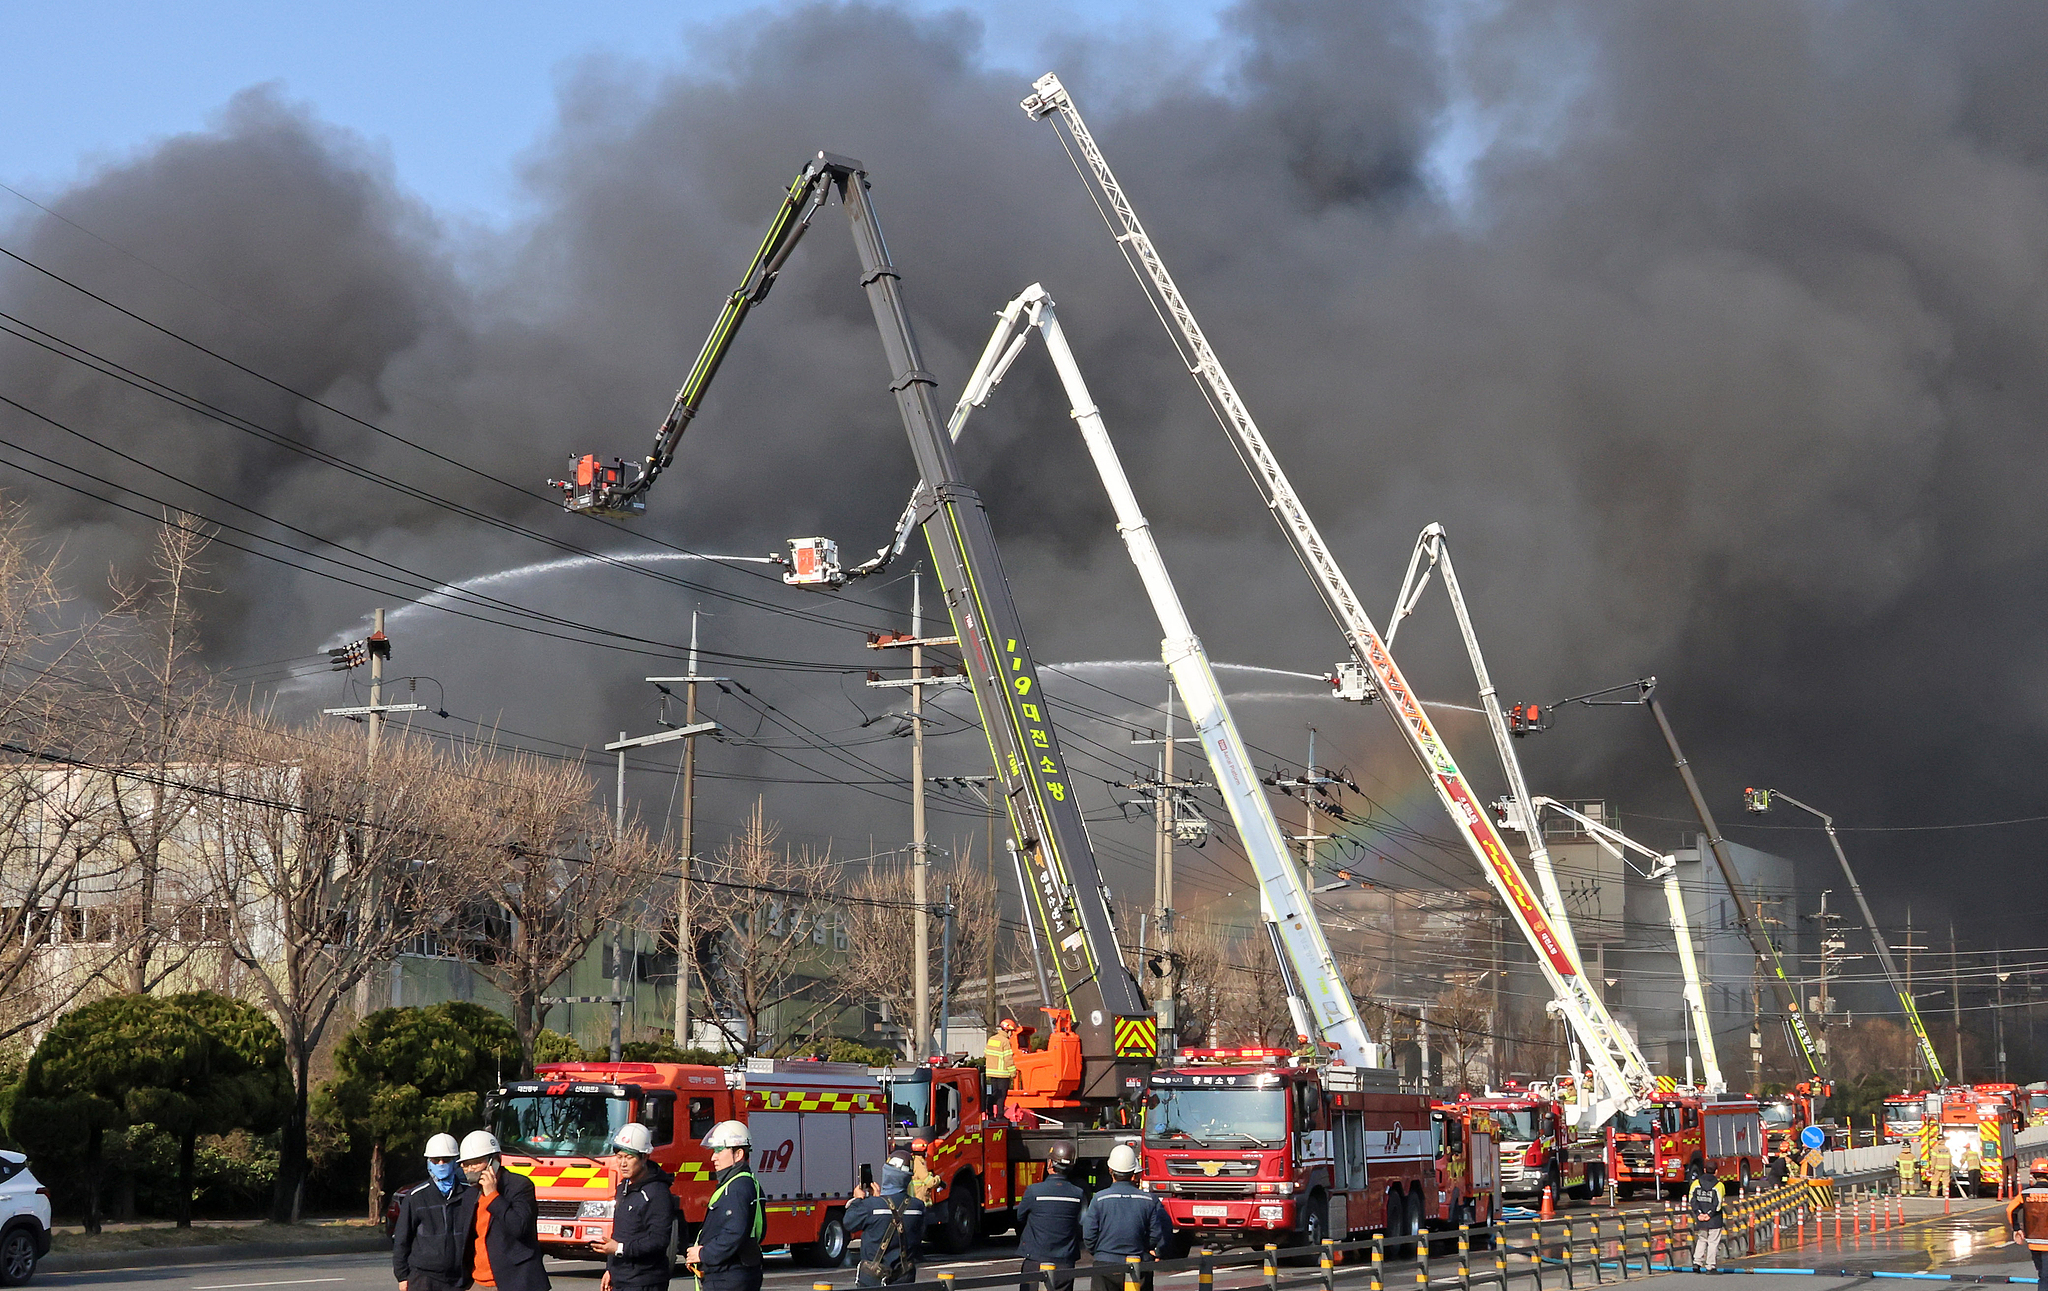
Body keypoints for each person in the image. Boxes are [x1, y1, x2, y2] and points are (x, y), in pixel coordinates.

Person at [459, 1130, 549, 1291]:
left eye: (475, 1163)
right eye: (466, 1164)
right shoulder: (470, 1194)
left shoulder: (519, 1186)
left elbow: (519, 1227)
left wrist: (493, 1195)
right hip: (477, 1282)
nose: (470, 1169)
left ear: (494, 1161)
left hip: (516, 1281)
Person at [395, 1133, 478, 1291]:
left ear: (455, 1161)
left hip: (459, 1279)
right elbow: (401, 1240)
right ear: (428, 1162)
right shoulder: (415, 1197)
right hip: (423, 1279)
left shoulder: (471, 1195)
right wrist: (402, 1276)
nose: (441, 1164)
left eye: (446, 1159)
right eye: (436, 1160)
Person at [687, 1121, 764, 1291]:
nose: (713, 1157)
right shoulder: (742, 1183)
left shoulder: (736, 1188)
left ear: (738, 1154)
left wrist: (702, 1253)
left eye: (719, 1150)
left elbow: (734, 1233)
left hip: (728, 1278)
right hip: (733, 1274)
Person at [601, 1123, 677, 1291]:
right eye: (619, 1157)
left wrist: (620, 1249)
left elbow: (659, 1240)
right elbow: (620, 1232)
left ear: (644, 1157)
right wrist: (610, 1269)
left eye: (629, 1157)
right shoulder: (623, 1187)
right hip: (622, 1278)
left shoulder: (658, 1192)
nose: (622, 1163)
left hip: (645, 1281)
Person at [1082, 1145, 1169, 1291]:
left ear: (1110, 1170)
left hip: (1105, 1263)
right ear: (1133, 1173)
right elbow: (1156, 1233)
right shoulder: (1148, 1200)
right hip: (1138, 1262)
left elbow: (1089, 1235)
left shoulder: (1099, 1199)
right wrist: (1149, 1250)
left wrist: (1101, 1252)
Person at [845, 1152, 928, 1286]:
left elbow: (849, 1222)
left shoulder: (870, 1206)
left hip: (873, 1280)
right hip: (904, 1278)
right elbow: (919, 1235)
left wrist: (858, 1200)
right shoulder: (918, 1207)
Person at [1016, 1142, 1086, 1291]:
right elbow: (1081, 1222)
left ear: (1050, 1163)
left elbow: (1020, 1217)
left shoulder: (1034, 1191)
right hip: (1065, 1262)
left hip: (1035, 1259)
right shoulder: (1078, 1194)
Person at [2004, 1158, 2048, 1284]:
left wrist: (2017, 1229)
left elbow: (2010, 1210)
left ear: (2033, 1175)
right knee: (2046, 1278)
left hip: (2033, 1241)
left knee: (2042, 1275)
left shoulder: (2025, 1194)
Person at [1686, 1173, 1726, 1273]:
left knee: (1702, 1239)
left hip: (1701, 1218)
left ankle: (1697, 1262)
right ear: (1716, 1171)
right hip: (1714, 1219)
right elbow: (1718, 1202)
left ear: (1704, 1170)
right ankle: (1710, 1266)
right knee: (1713, 1242)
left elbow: (1692, 1199)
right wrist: (1709, 1214)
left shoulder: (1696, 1183)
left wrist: (1698, 1213)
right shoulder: (1719, 1185)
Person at [985, 1020, 1020, 1122]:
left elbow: (986, 1054)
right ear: (1007, 1030)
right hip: (1002, 1074)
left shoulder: (991, 1039)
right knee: (1001, 1095)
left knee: (994, 1093)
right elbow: (1008, 1059)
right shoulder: (1005, 1042)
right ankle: (1000, 1115)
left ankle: (990, 1113)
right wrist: (1013, 1072)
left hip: (991, 1073)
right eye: (1011, 1031)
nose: (1012, 1034)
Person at [907, 1141, 941, 1205]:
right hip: (921, 1201)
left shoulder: (912, 1160)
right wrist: (938, 1179)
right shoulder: (918, 1163)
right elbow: (930, 1182)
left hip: (914, 1201)